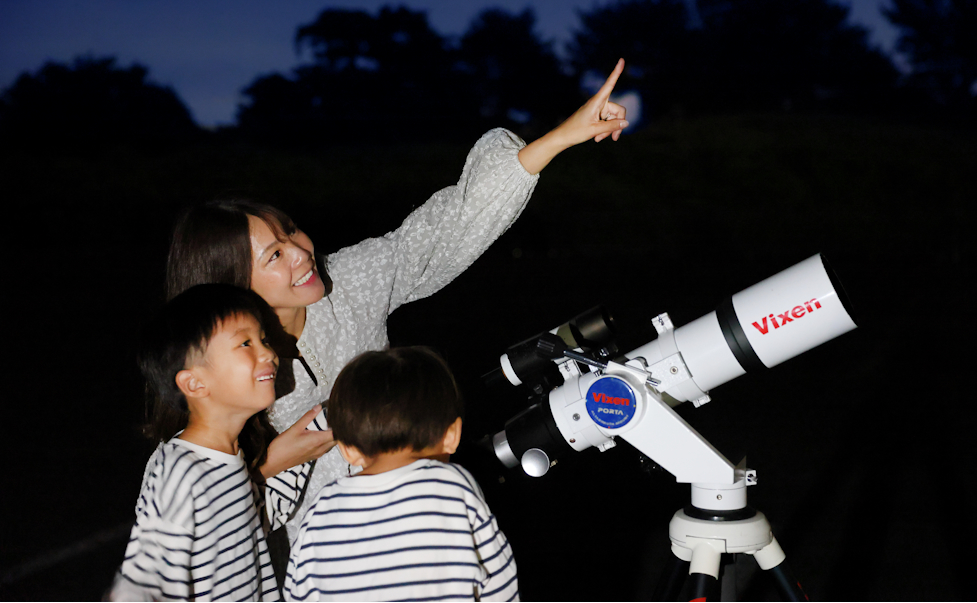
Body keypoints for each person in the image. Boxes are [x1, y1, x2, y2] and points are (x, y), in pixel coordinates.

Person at [163, 59, 630, 541]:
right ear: (233, 285)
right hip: (323, 569)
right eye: (275, 254)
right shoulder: (222, 374)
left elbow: (448, 225)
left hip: (419, 525)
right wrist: (273, 462)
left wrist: (557, 139)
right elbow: (200, 526)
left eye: (292, 231)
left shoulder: (346, 281)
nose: (302, 252)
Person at [109, 284, 310, 601]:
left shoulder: (227, 457)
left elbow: (255, 521)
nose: (269, 353)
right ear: (195, 383)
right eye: (246, 343)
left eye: (264, 339)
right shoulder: (179, 471)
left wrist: (324, 430)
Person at [284, 347, 518, 601]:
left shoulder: (321, 509)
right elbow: (499, 582)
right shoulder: (453, 487)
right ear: (451, 436)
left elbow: (298, 593)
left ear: (348, 450)